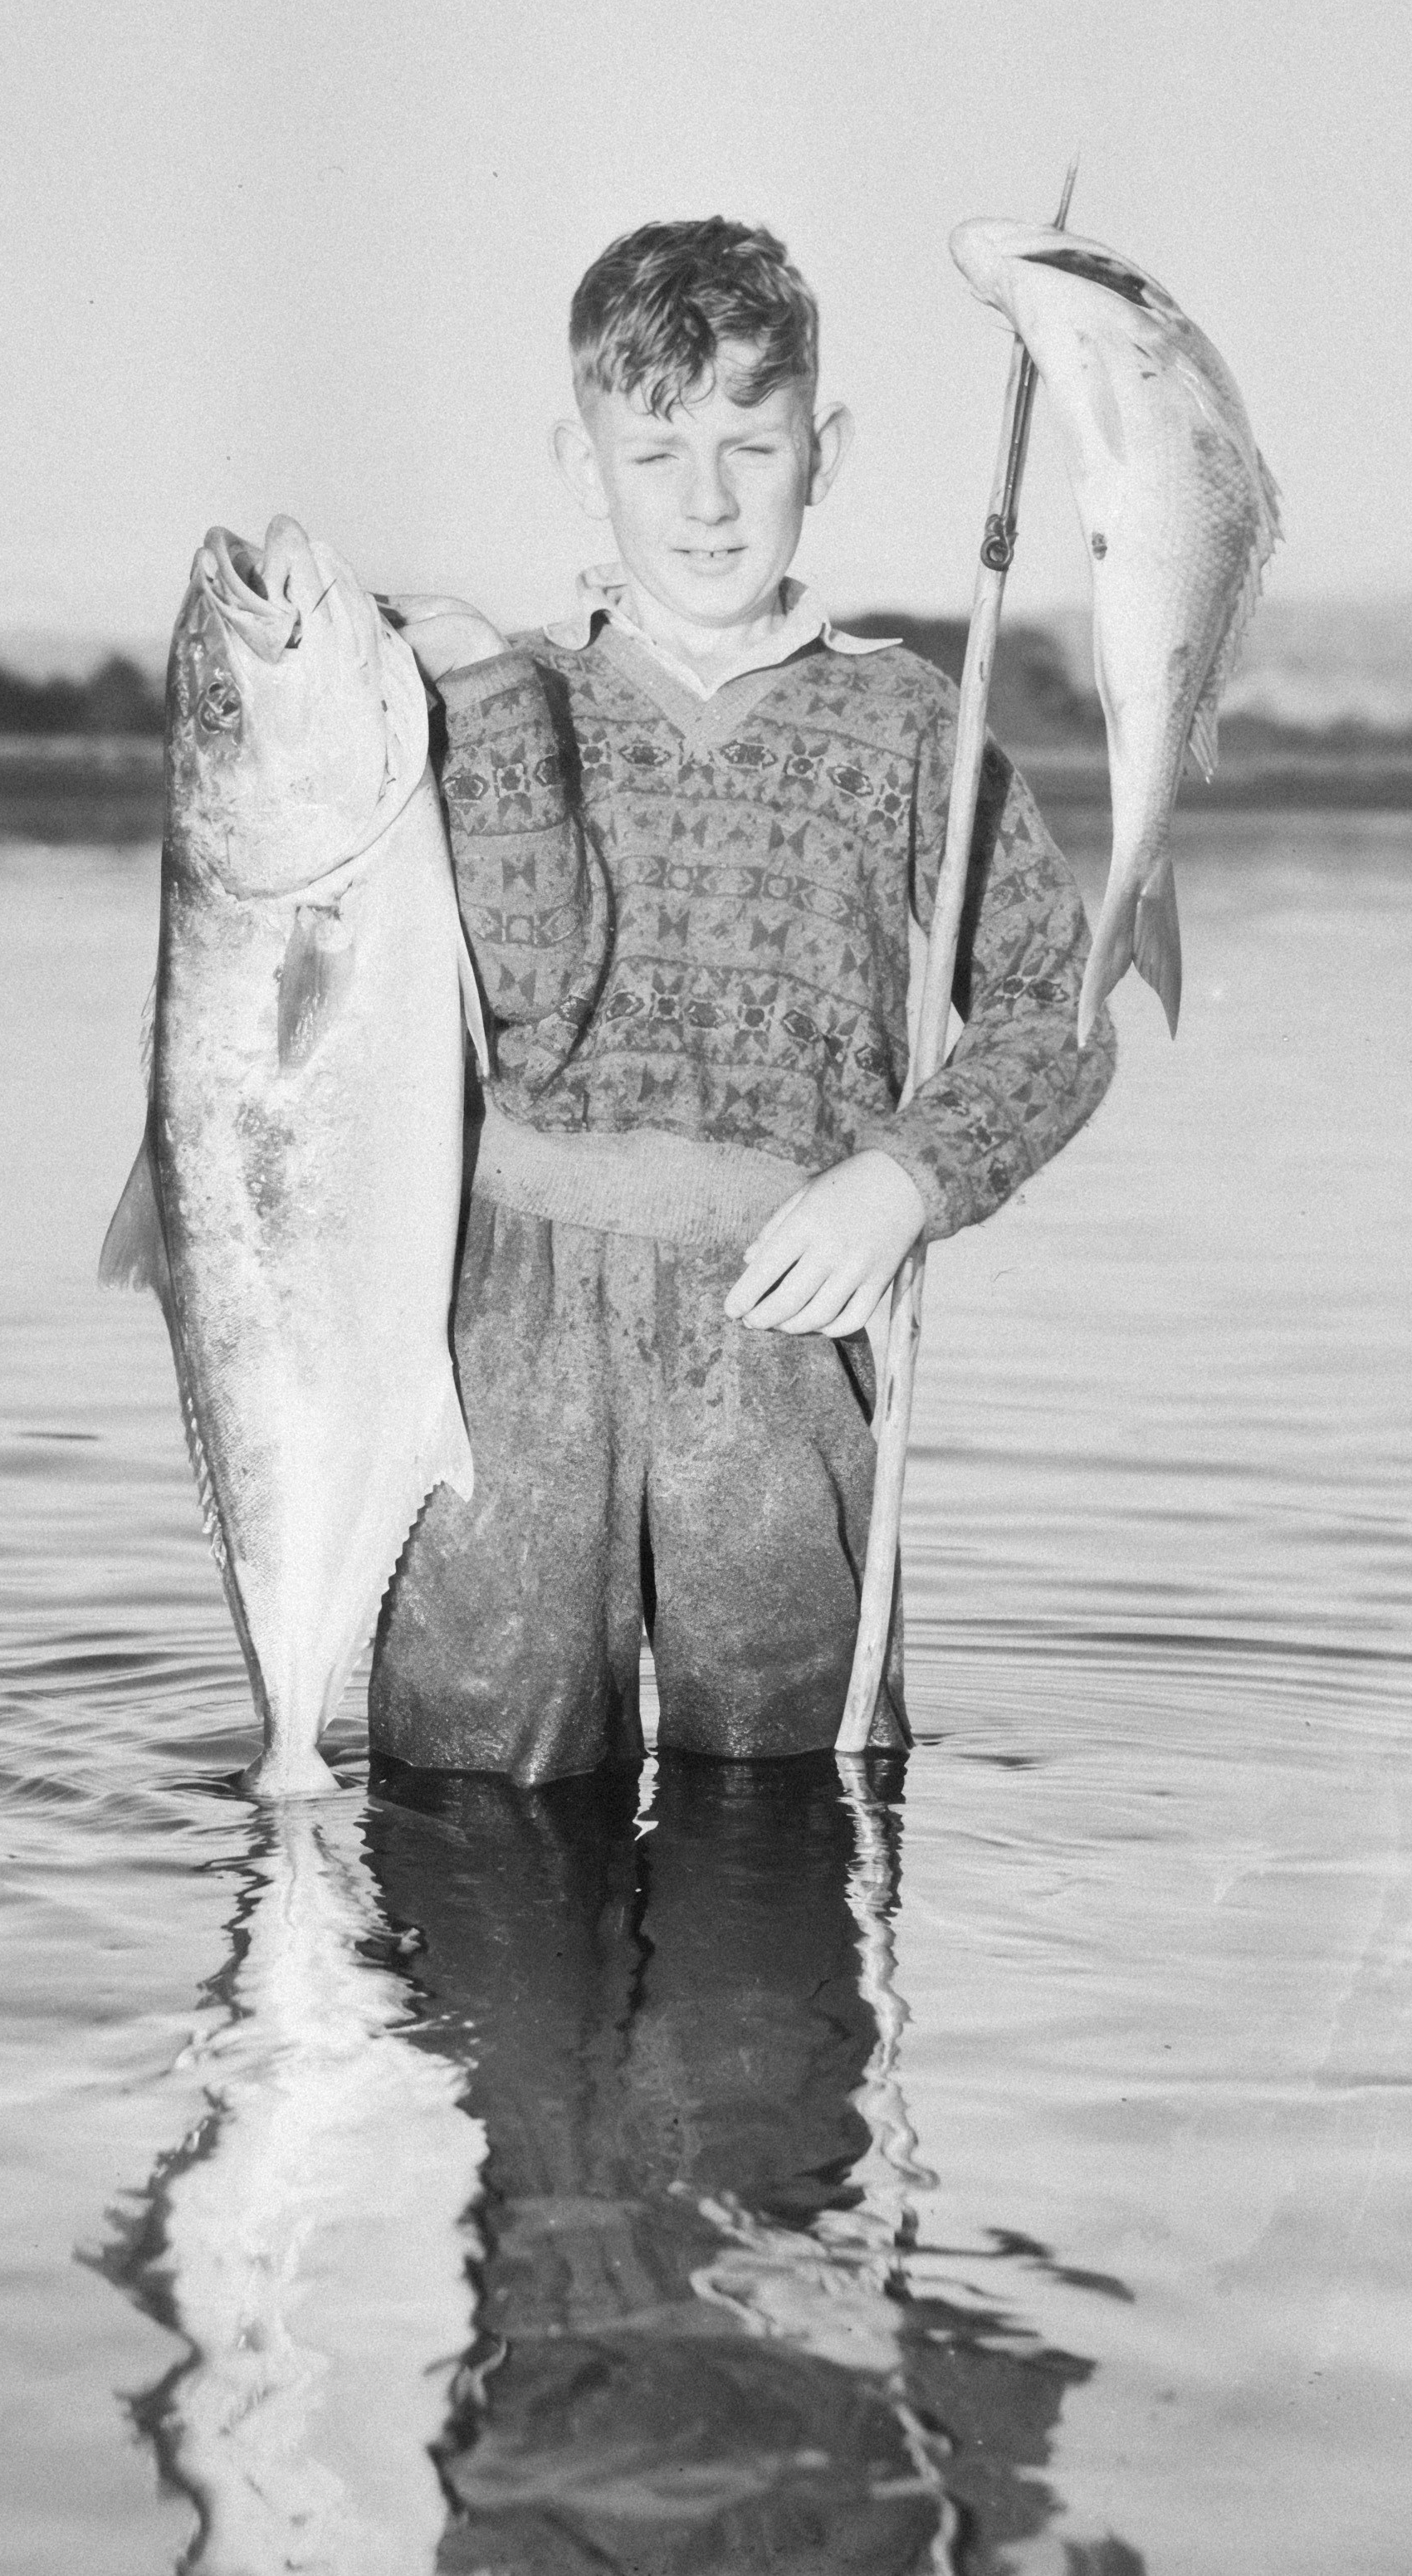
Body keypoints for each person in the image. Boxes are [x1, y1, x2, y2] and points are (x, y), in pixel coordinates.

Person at [374, 218, 1112, 1783]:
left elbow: (1061, 1002)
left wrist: (903, 1183)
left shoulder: (912, 723)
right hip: (500, 1336)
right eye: (654, 453)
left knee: (783, 1827)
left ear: (819, 450)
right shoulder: (497, 709)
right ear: (584, 466)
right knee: (463, 1812)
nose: (705, 501)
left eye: (748, 445)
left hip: (788, 1321)